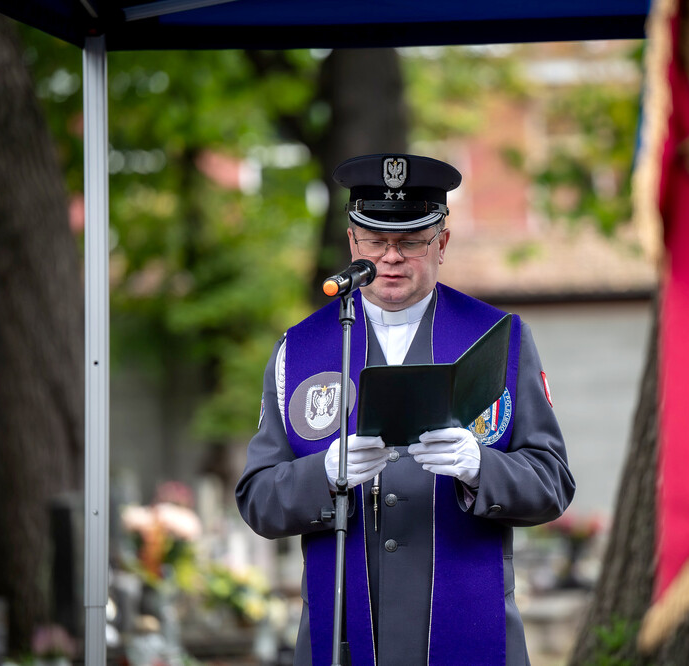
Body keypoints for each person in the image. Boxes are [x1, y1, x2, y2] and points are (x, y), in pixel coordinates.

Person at [235, 153, 575, 665]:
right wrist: (322, 475)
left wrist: (483, 468)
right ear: (352, 241)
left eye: (410, 242)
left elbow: (552, 484)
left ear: (441, 243)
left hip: (467, 628)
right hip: (344, 635)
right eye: (375, 241)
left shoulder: (499, 339)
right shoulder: (299, 350)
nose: (390, 258)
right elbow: (257, 498)